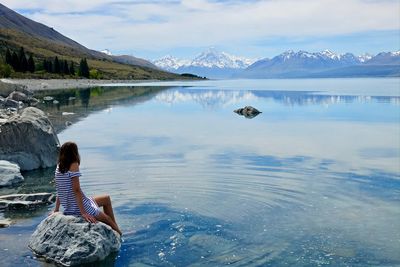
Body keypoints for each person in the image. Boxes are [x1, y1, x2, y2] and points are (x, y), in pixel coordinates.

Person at [50, 141, 122, 236]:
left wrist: (56, 209)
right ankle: (119, 234)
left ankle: (115, 230)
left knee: (106, 199)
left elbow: (59, 189)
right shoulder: (73, 164)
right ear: (74, 153)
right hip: (78, 207)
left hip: (72, 205)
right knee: (108, 220)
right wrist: (83, 212)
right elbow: (76, 190)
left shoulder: (59, 167)